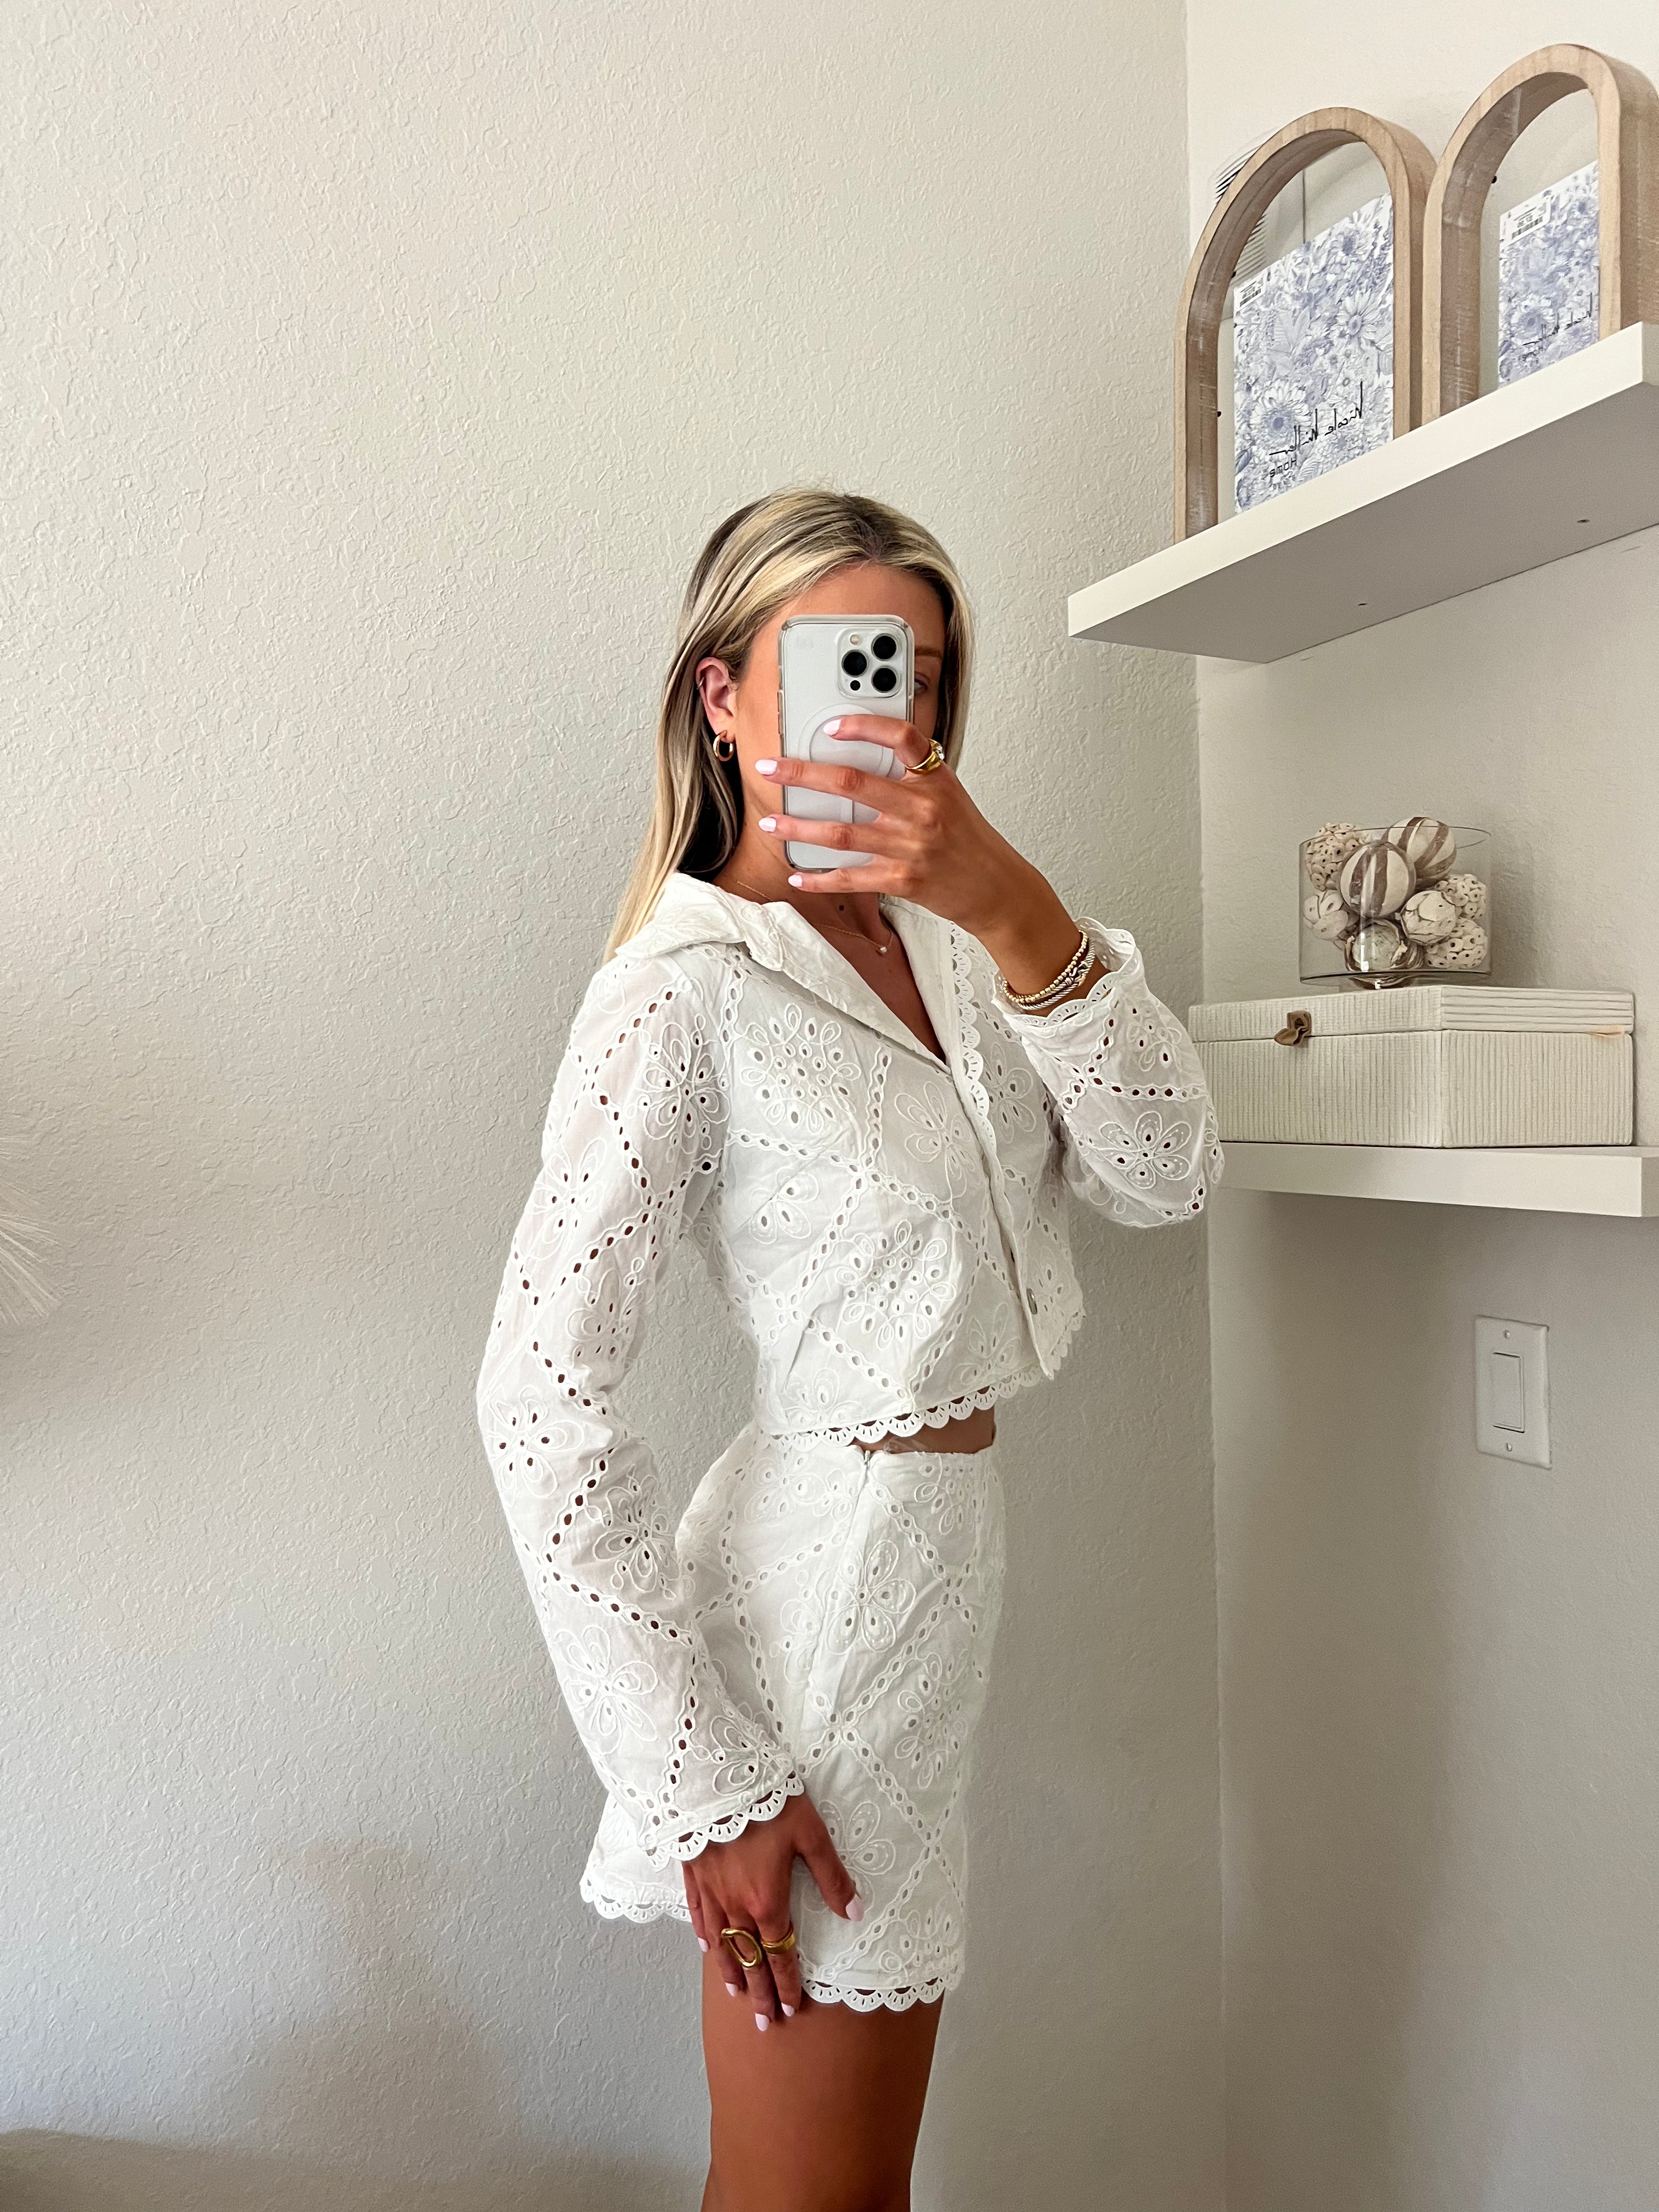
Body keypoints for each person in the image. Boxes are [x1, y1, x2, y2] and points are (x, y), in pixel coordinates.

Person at [474, 488, 1222, 2210]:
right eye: (845, 662)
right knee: (819, 2197)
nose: (894, 702)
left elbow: (1169, 1174)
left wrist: (1020, 912)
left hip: (924, 1592)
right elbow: (537, 1397)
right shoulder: (682, 990)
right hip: (822, 1622)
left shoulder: (967, 950)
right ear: (724, 695)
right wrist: (706, 1785)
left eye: (922, 670)